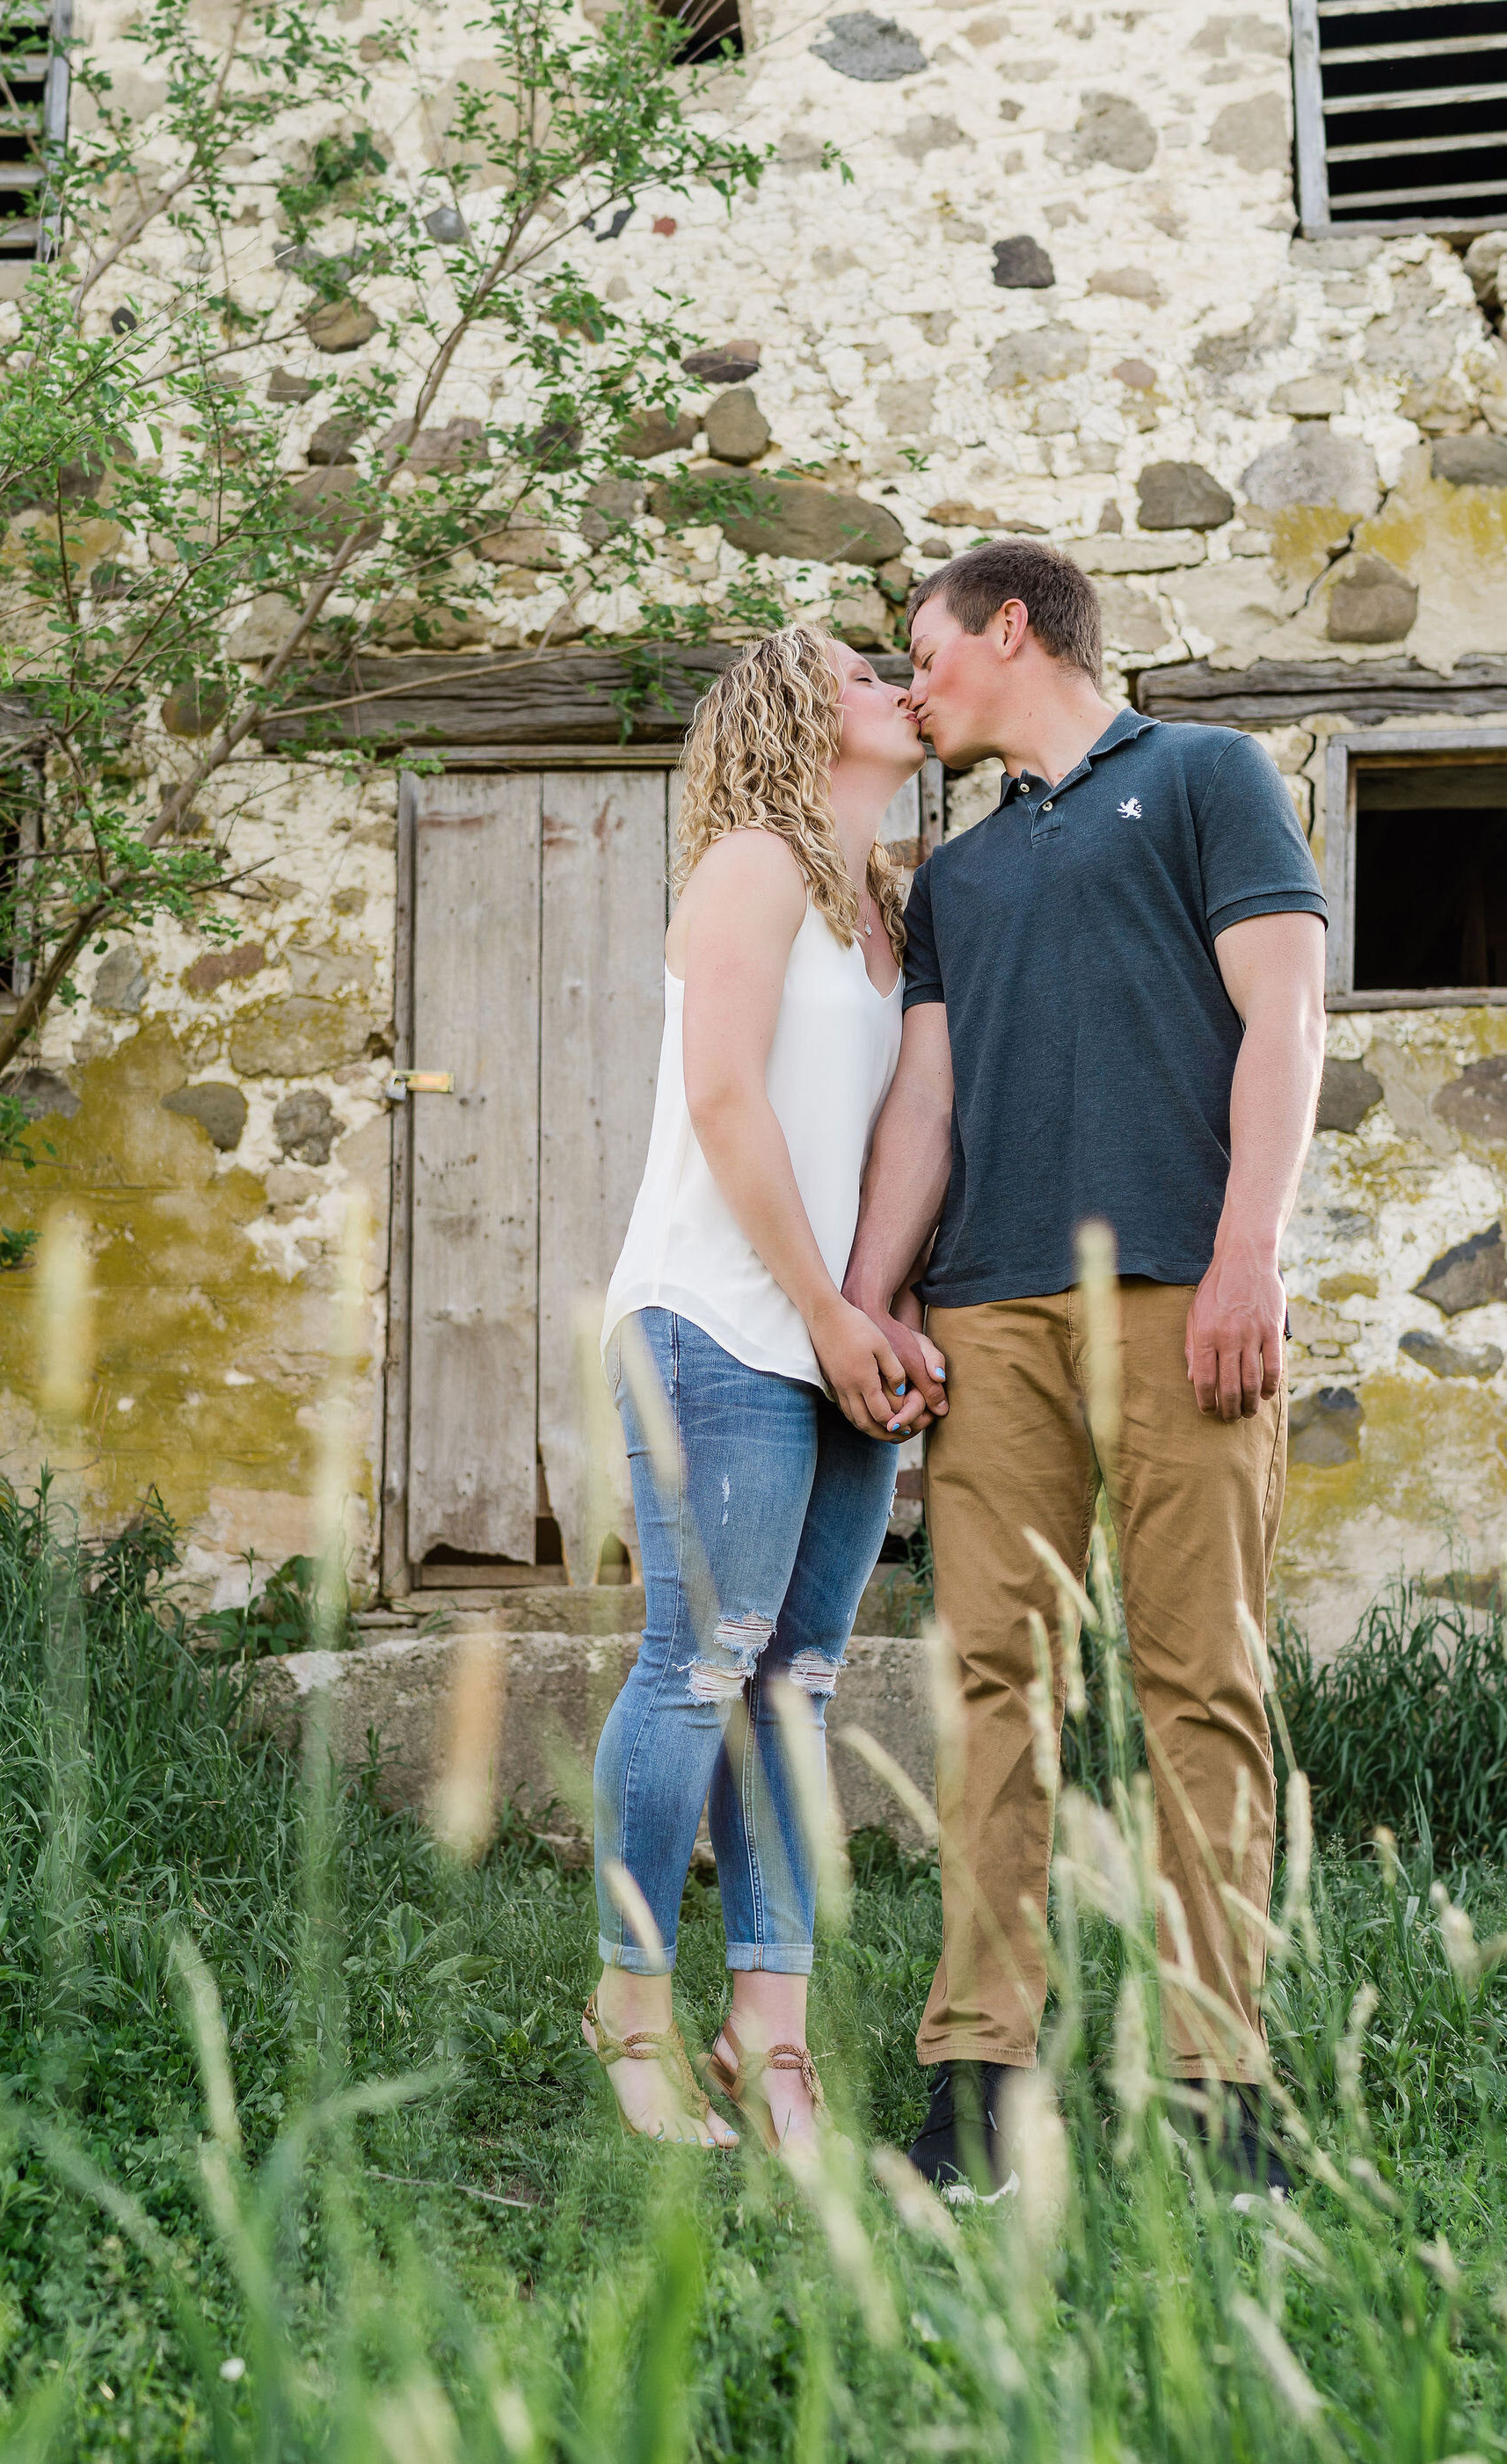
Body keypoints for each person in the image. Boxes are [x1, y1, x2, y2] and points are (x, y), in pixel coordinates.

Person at [843, 538, 1328, 2200]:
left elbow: (1287, 1017)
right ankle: (977, 2090)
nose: (912, 686)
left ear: (1011, 626)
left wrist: (1249, 1251)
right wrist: (867, 1299)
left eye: (924, 651)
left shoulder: (1203, 778)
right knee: (994, 1703)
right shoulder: (956, 879)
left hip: (1184, 1297)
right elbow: (925, 1104)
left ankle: (1218, 2091)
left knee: (1201, 1686)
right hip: (987, 1322)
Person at [585, 622, 928, 2151]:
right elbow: (725, 1097)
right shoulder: (752, 865)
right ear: (803, 710)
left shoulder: (887, 915)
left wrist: (889, 1310)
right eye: (865, 672)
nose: (897, 688)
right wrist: (821, 1309)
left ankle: (767, 2041)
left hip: (840, 1333)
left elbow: (880, 1143)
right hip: (720, 1321)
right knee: (699, 1665)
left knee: (796, 1687)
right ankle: (632, 2019)